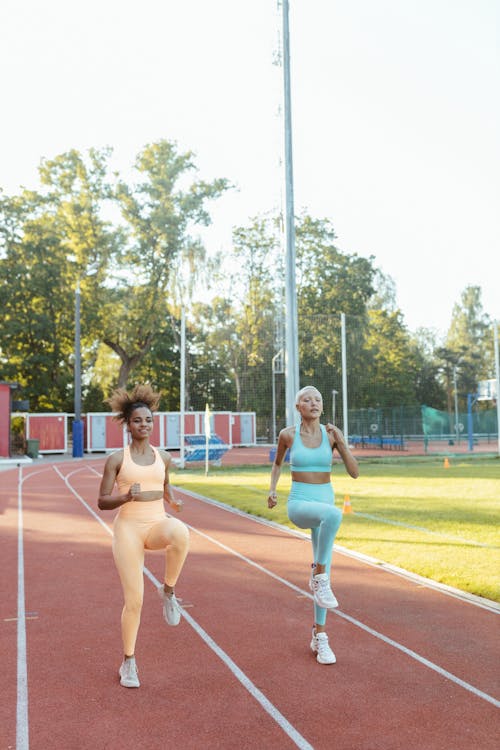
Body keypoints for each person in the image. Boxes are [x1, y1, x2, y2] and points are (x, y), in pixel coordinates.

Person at [97, 384, 189, 688]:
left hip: (155, 523)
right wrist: (126, 498)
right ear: (127, 424)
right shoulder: (116, 460)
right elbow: (102, 501)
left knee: (180, 532)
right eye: (137, 421)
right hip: (128, 531)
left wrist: (172, 500)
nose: (144, 425)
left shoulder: (164, 457)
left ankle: (169, 591)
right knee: (134, 600)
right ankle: (129, 662)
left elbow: (165, 485)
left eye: (148, 420)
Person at [267, 385, 359, 665]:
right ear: (298, 407)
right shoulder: (288, 434)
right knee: (333, 517)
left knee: (325, 572)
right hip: (300, 504)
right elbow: (278, 464)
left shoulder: (331, 436)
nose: (314, 403)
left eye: (318, 399)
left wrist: (341, 443)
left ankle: (320, 636)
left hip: (324, 501)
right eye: (307, 399)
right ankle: (317, 574)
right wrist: (272, 489)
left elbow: (354, 473)